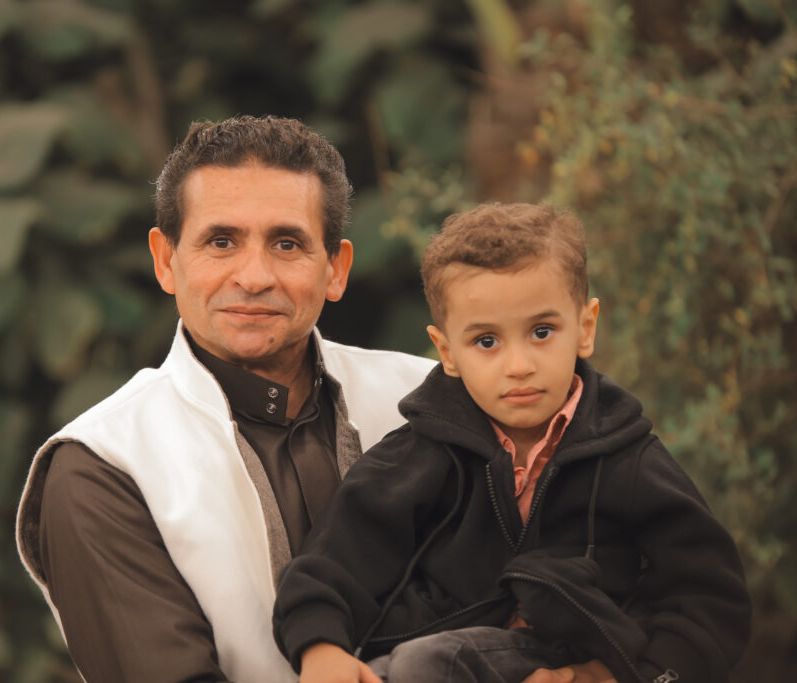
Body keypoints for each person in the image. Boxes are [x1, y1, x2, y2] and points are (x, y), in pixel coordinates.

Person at [15, 116, 435, 682]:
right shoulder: (102, 465)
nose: (254, 276)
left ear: (335, 269)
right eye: (221, 242)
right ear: (165, 260)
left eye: (286, 243)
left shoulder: (427, 401)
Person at [272, 203, 751, 683]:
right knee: (405, 667)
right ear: (447, 352)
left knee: (426, 665)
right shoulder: (418, 454)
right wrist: (322, 649)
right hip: (435, 653)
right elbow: (332, 565)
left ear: (585, 327)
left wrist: (622, 675)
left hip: (572, 658)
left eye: (542, 332)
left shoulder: (627, 457)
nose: (519, 365)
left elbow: (709, 597)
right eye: (486, 342)